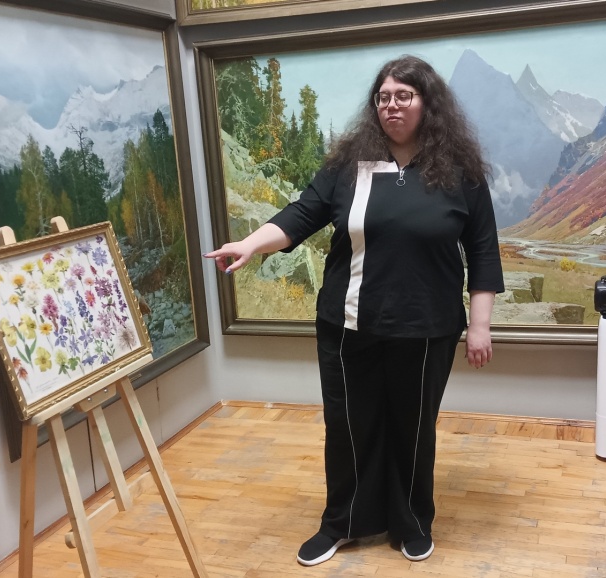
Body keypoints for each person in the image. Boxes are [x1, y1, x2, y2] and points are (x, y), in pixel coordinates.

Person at [204, 55, 504, 566]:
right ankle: (341, 523)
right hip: (347, 325)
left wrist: (480, 326)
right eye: (383, 97)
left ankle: (411, 523)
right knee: (348, 426)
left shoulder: (461, 174)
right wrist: (251, 243)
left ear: (427, 103)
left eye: (404, 96)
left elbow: (482, 250)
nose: (391, 105)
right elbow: (302, 214)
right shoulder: (349, 166)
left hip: (427, 328)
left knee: (413, 429)